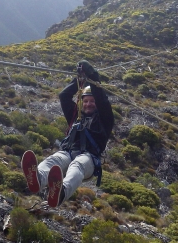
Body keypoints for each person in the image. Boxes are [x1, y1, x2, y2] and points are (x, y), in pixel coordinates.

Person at [21, 60, 114, 207]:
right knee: (54, 160)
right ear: (82, 102)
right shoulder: (75, 115)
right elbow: (64, 96)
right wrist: (78, 80)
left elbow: (102, 100)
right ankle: (38, 178)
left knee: (77, 165)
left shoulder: (105, 118)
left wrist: (93, 75)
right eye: (86, 101)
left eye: (92, 101)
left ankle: (61, 192)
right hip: (68, 152)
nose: (89, 104)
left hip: (89, 158)